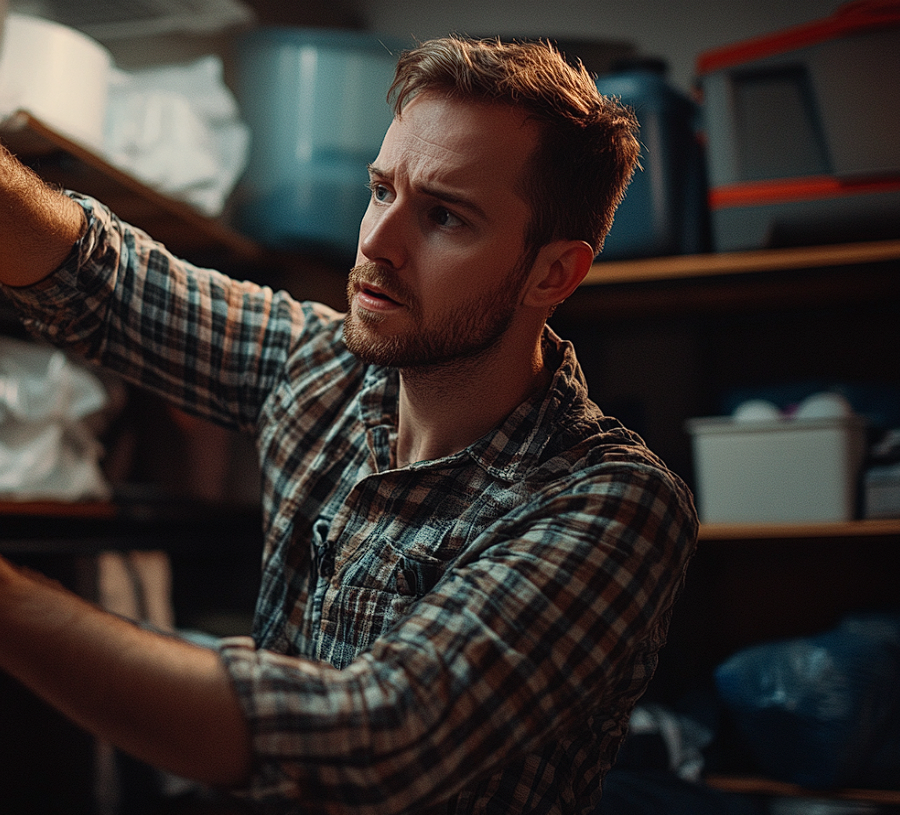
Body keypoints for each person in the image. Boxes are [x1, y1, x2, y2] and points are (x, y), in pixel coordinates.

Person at [0, 36, 698, 814]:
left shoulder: (613, 502)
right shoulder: (325, 368)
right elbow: (108, 286)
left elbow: (370, 739)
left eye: (443, 216)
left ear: (553, 272)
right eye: (380, 190)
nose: (376, 242)